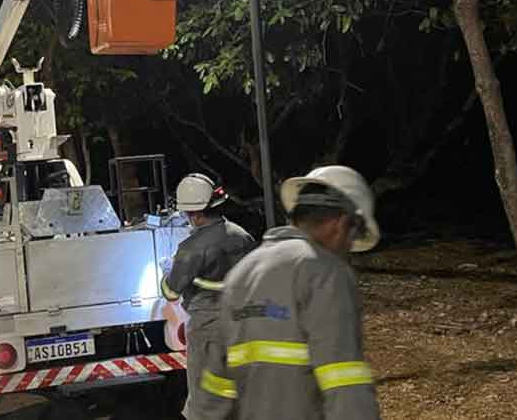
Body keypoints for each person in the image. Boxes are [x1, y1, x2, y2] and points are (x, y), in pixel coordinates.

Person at [191, 165, 382, 420]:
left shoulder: (241, 274)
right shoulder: (324, 271)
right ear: (342, 223)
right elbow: (345, 385)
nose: (348, 250)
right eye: (352, 238)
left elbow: (215, 391)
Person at [160, 173, 256, 419]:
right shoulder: (242, 235)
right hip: (245, 322)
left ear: (195, 213)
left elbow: (170, 292)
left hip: (207, 328)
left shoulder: (191, 248)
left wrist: (169, 270)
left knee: (205, 397)